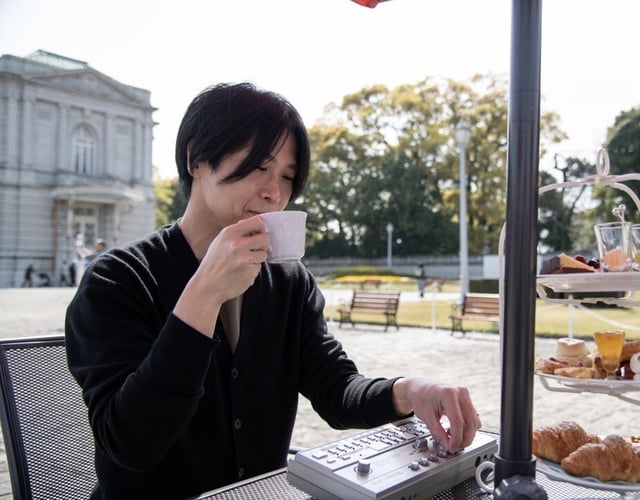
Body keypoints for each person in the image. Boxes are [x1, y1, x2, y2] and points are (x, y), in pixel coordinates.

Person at [65, 82, 481, 500]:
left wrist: (408, 391)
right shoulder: (118, 279)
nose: (275, 192)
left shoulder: (288, 280)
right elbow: (131, 444)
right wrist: (204, 294)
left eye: (287, 175)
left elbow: (334, 387)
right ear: (196, 159)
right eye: (258, 167)